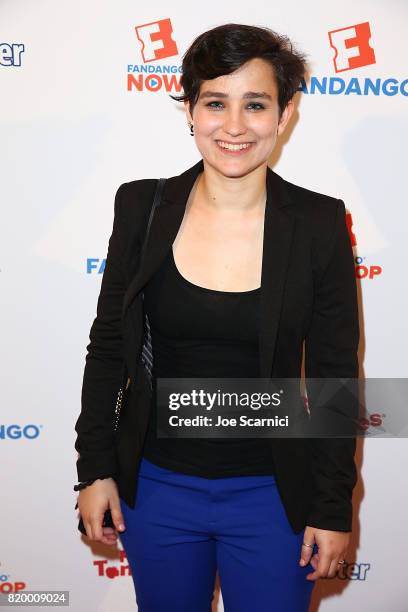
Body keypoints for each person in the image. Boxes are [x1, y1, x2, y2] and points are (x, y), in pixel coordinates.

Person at [74, 22, 359, 611]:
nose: (233, 126)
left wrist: (332, 508)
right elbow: (108, 348)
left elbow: (336, 381)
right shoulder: (141, 208)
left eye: (254, 104)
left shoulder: (319, 224)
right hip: (156, 490)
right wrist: (94, 468)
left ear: (283, 116)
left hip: (273, 495)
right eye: (214, 102)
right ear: (190, 110)